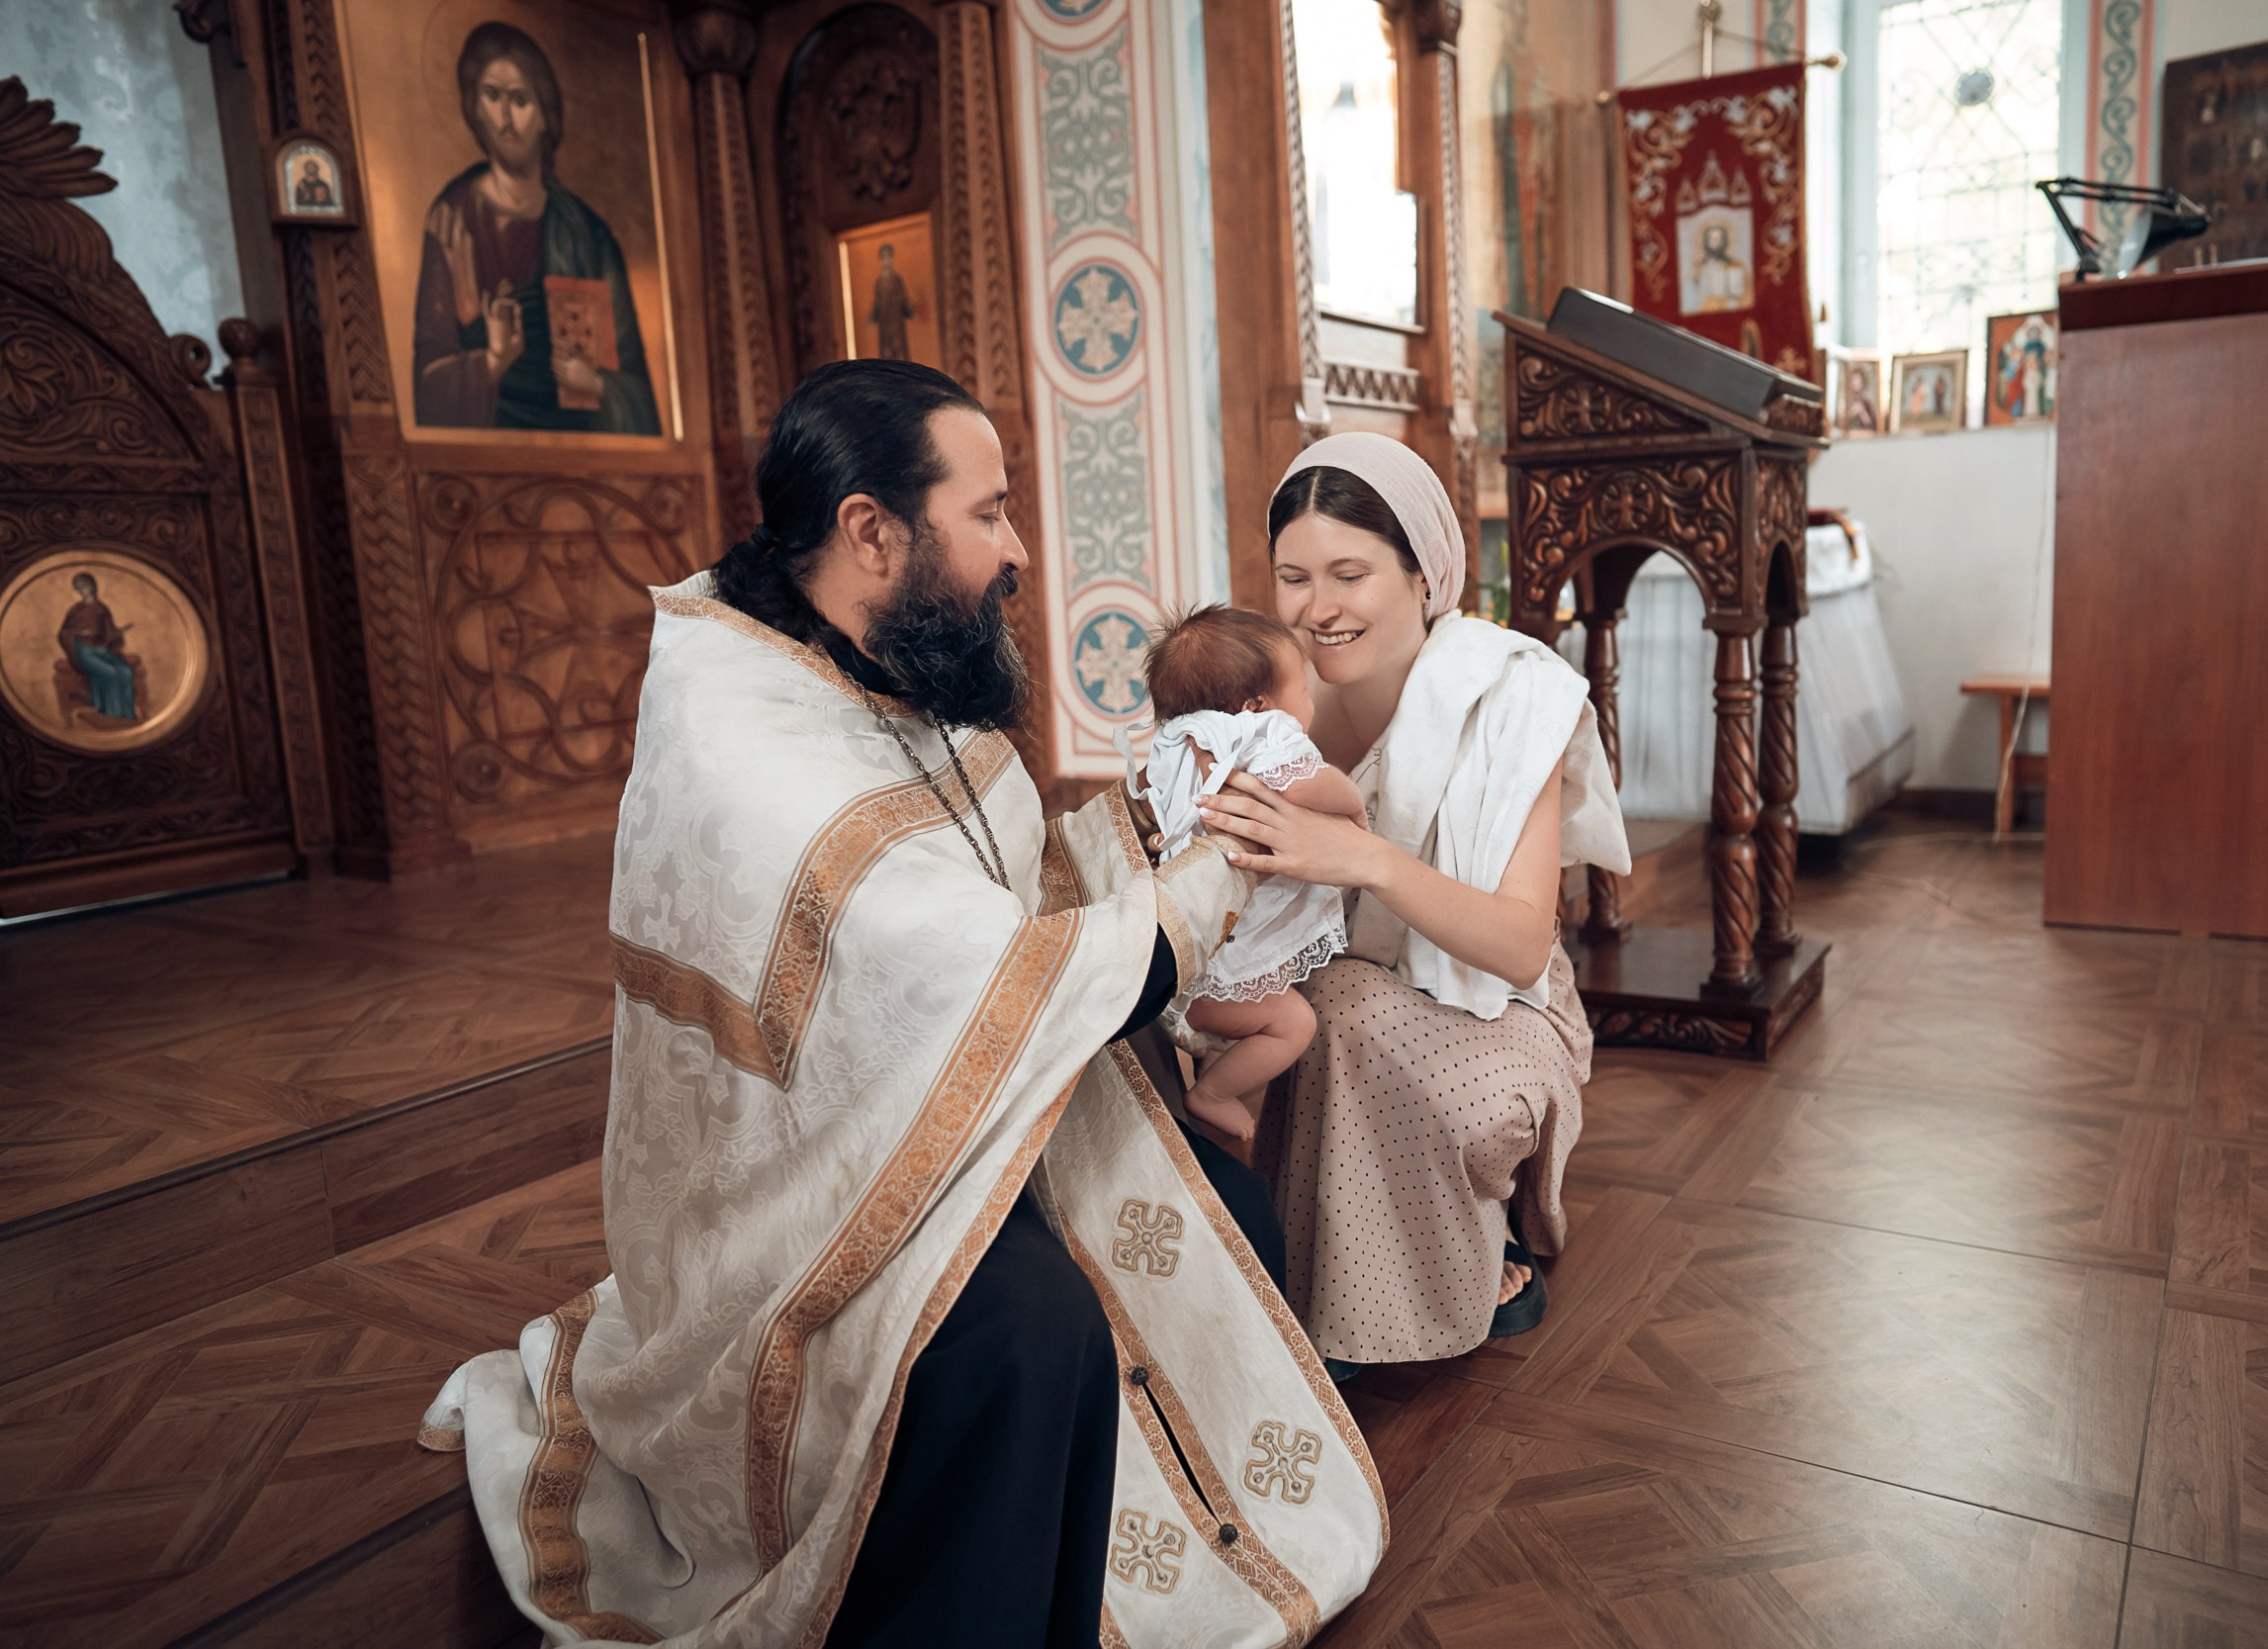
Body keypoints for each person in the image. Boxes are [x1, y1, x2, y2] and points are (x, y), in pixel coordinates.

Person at [420, 361, 1384, 1648]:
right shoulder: (749, 742)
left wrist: (1147, 831)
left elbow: (1001, 889)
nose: (1019, 547)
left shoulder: (876, 653)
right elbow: (985, 975)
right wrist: (1220, 859)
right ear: (874, 530)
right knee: (1027, 1334)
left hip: (912, 1110)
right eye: (988, 512)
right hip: (790, 1206)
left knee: (1233, 1213)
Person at [1193, 432, 1629, 1381]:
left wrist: (1364, 859)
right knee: (1221, 1012)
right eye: (1294, 576)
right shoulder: (1265, 708)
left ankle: (1371, 1312)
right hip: (1315, 992)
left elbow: (1519, 949)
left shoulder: (1513, 699)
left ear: (1425, 575)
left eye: (1351, 573)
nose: (1319, 609)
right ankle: (1265, 1270)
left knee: (1338, 1010)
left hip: (1496, 1010)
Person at [1129, 605, 1366, 1145]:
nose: (1308, 701)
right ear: (1255, 705)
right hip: (1217, 970)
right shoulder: (1261, 731)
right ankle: (1211, 1093)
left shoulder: (1182, 740)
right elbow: (1301, 785)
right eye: (1301, 686)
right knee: (1295, 1024)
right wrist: (1351, 800)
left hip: (1180, 952)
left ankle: (1205, 1084)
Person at [411, 23, 659, 432]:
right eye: (492, 96)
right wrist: (491, 361)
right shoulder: (452, 218)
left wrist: (595, 383)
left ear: (546, 115)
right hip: (487, 455)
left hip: (587, 450)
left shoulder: (586, 234)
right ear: (474, 107)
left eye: (521, 100)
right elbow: (429, 380)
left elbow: (636, 389)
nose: (505, 117)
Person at [57, 572, 137, 721]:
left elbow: (108, 634)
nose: (82, 590)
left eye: (84, 586)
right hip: (82, 651)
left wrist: (117, 633)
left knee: (125, 671)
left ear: (92, 586)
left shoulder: (102, 609)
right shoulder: (76, 610)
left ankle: (127, 715)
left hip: (102, 650)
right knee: (110, 672)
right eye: (79, 587)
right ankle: (112, 715)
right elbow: (63, 633)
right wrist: (81, 632)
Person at [870, 243, 913, 361]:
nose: (886, 261)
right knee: (886, 351)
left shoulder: (897, 279)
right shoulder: (879, 282)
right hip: (884, 325)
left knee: (899, 350)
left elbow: (904, 300)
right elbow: (877, 303)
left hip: (897, 323)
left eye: (888, 257)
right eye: (883, 258)